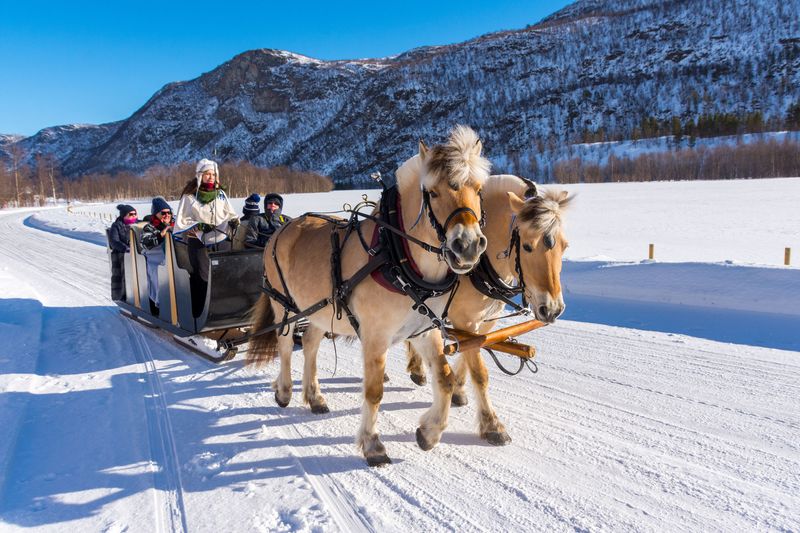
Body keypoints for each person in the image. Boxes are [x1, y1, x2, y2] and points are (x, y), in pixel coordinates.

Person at [173, 158, 239, 316]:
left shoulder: (221, 195)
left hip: (222, 239)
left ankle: (223, 310)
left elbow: (230, 213)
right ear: (200, 175)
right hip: (199, 242)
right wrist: (200, 226)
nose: (211, 177)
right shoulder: (189, 197)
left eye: (213, 174)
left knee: (223, 274)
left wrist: (234, 221)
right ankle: (200, 313)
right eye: (207, 174)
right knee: (203, 276)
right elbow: (182, 220)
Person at [141, 197, 174, 315]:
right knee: (158, 273)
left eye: (168, 212)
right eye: (163, 213)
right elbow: (145, 242)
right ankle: (159, 304)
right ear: (156, 214)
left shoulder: (176, 224)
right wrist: (161, 235)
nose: (167, 215)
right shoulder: (149, 227)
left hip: (174, 257)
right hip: (155, 258)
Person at [109, 204, 138, 301]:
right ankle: (124, 295)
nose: (134, 216)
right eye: (131, 214)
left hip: (137, 252)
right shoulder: (117, 225)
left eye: (135, 214)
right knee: (126, 273)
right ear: (124, 215)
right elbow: (114, 241)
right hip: (123, 253)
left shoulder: (139, 224)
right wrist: (126, 249)